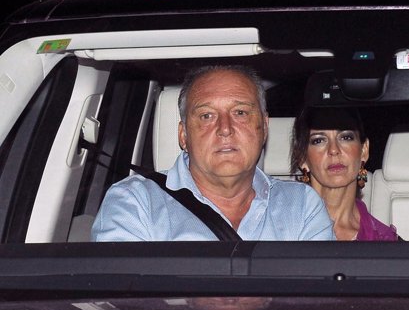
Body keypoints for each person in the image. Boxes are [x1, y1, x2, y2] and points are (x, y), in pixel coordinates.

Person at [92, 65, 334, 241]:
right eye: (206, 115)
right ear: (183, 135)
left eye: (240, 113)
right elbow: (125, 294)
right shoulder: (135, 203)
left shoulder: (302, 206)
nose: (225, 129)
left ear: (264, 127)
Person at [290, 107, 398, 241]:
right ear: (302, 158)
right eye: (319, 140)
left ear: (364, 151)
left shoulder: (383, 241)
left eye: (346, 137)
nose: (334, 150)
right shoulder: (279, 226)